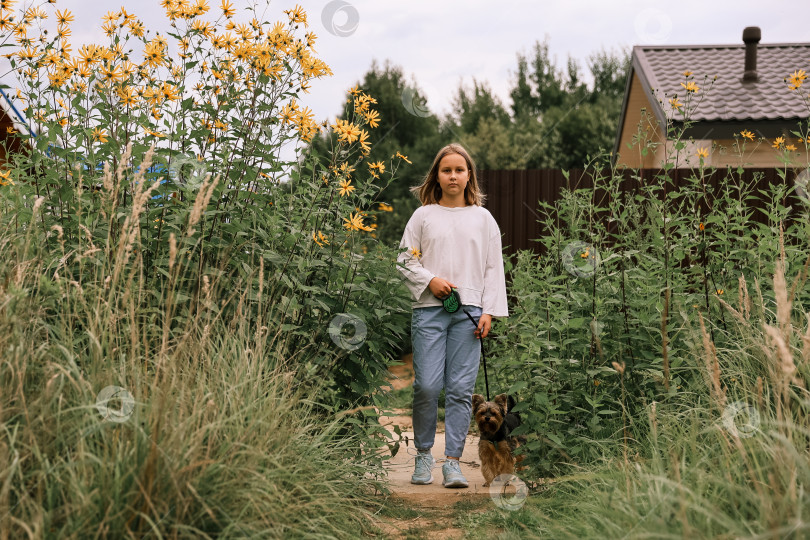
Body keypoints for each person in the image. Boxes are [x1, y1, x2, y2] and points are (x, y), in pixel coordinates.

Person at [396, 143, 509, 488]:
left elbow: (493, 267)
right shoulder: (423, 216)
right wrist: (430, 279)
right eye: (447, 170)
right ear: (437, 176)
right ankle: (424, 456)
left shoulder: (483, 218)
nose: (453, 175)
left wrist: (489, 310)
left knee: (461, 391)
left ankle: (453, 463)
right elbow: (404, 260)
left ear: (469, 174)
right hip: (430, 309)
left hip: (471, 313)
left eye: (460, 170)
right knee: (427, 386)